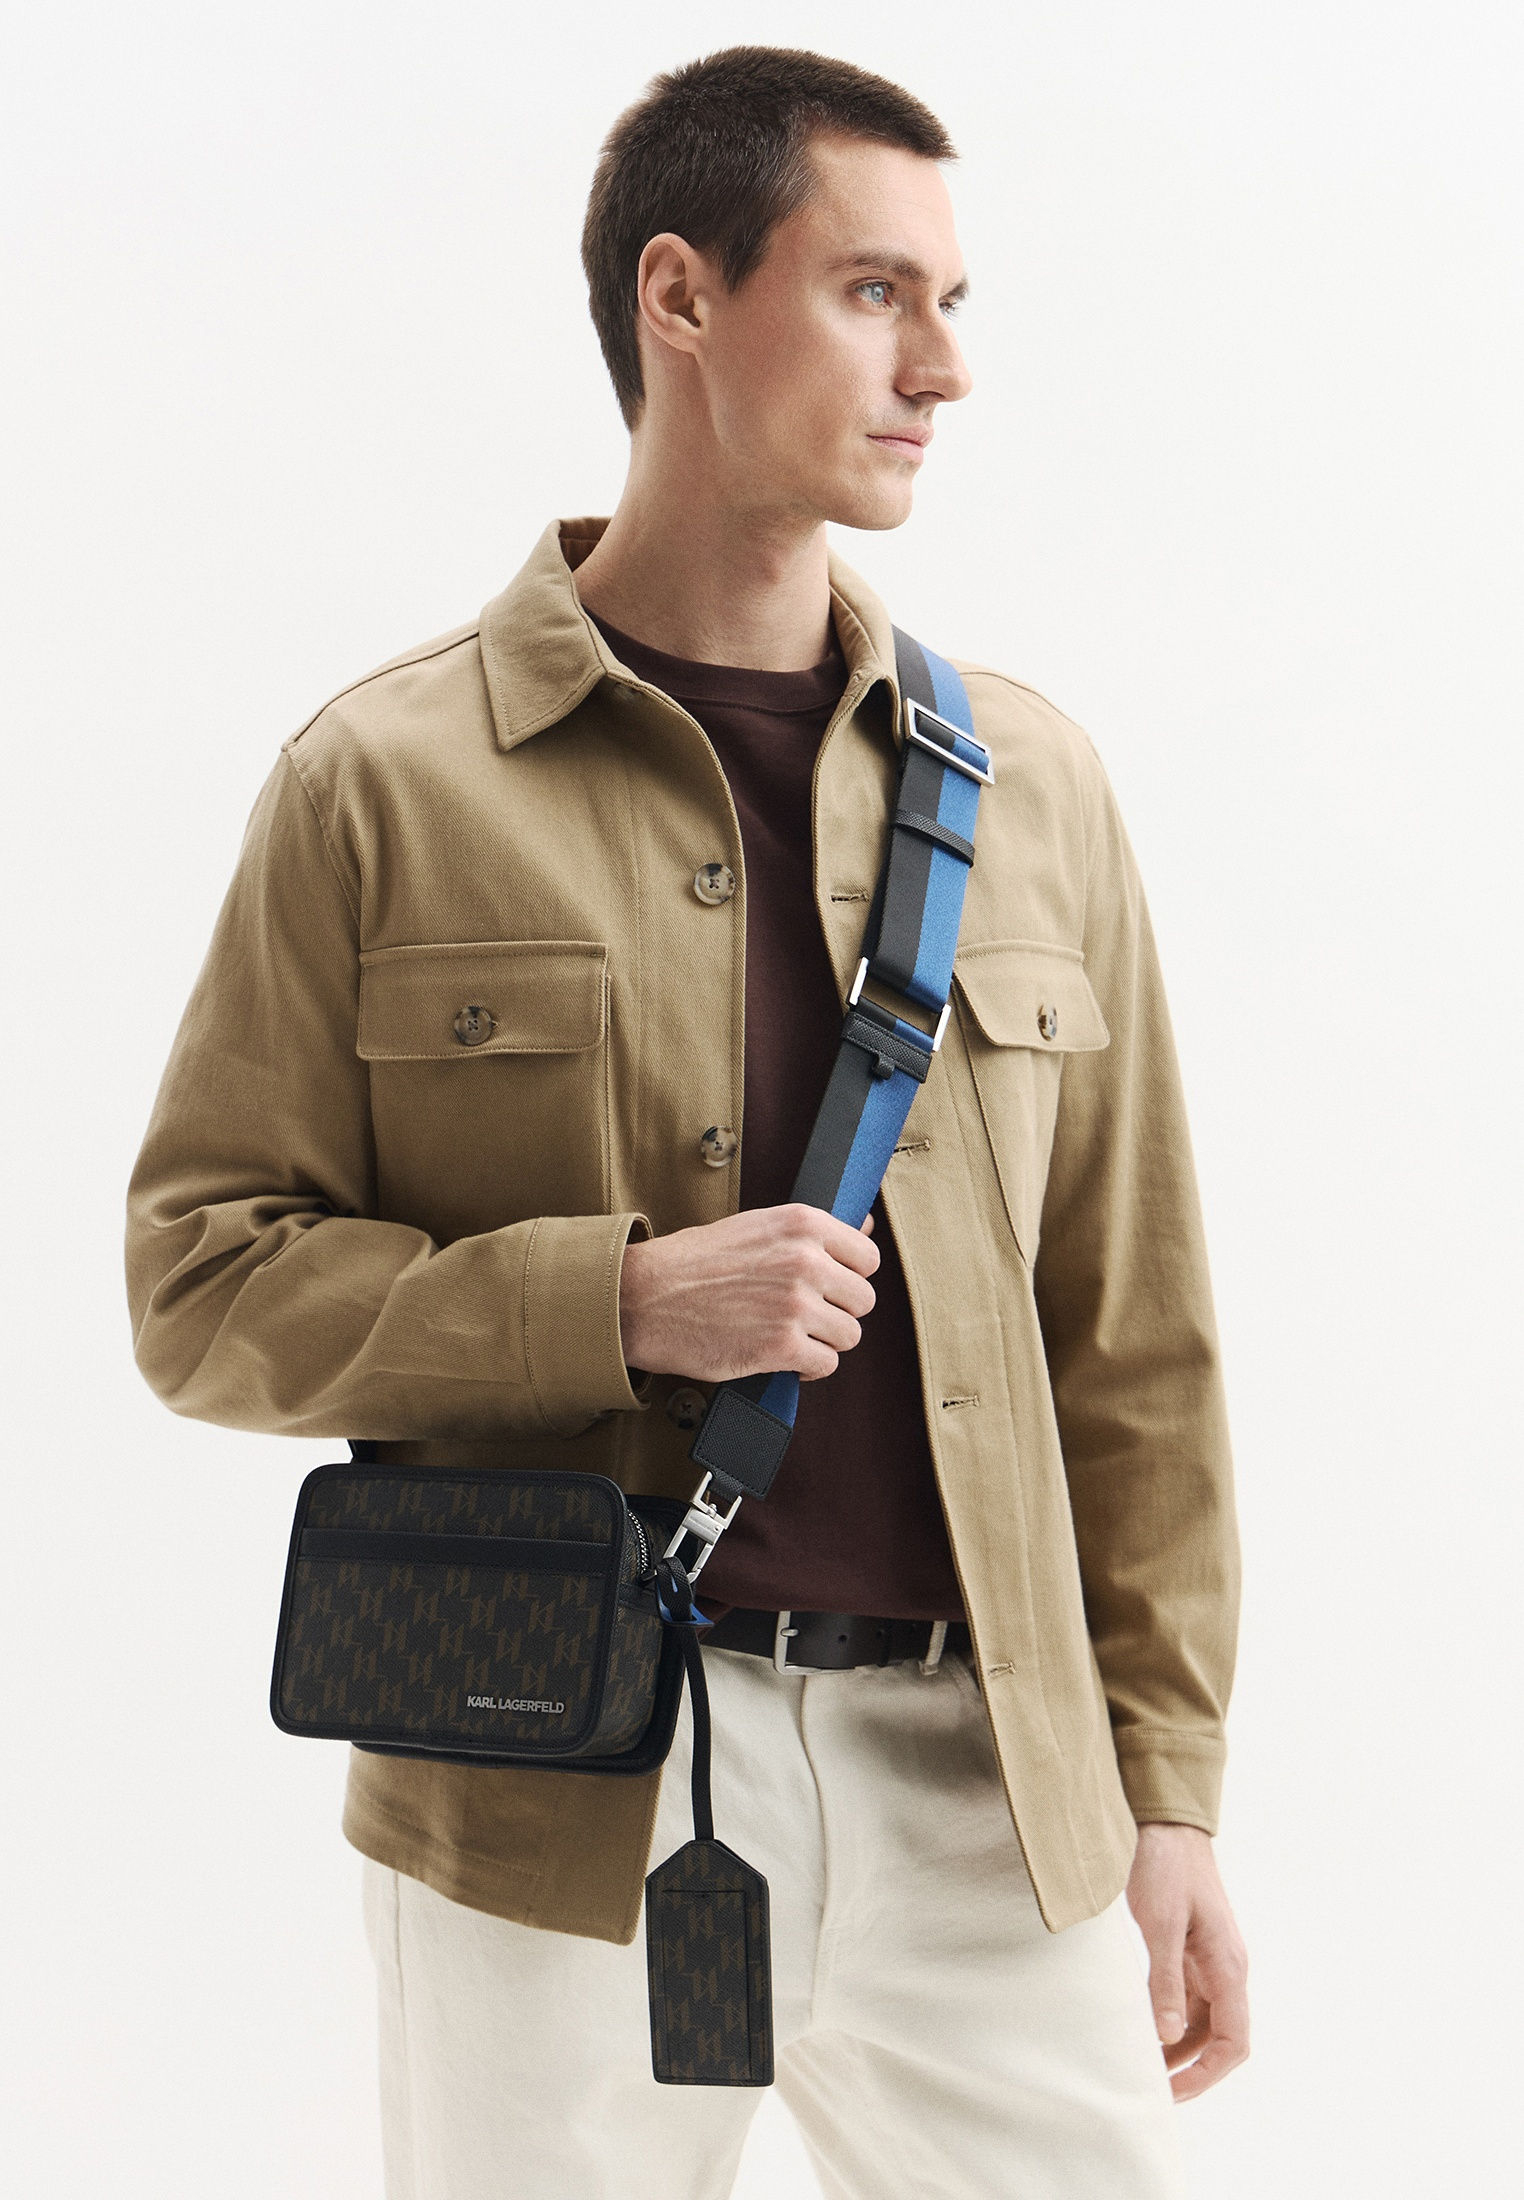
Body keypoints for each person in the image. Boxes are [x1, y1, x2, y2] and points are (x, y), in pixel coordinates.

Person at [126, 44, 1247, 2200]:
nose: (942, 367)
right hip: (553, 1775)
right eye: (874, 292)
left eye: (952, 304)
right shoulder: (385, 783)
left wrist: (1171, 1784)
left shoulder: (1031, 787)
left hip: (987, 1782)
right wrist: (621, 1303)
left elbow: (1138, 1336)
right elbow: (201, 1286)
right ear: (679, 297)